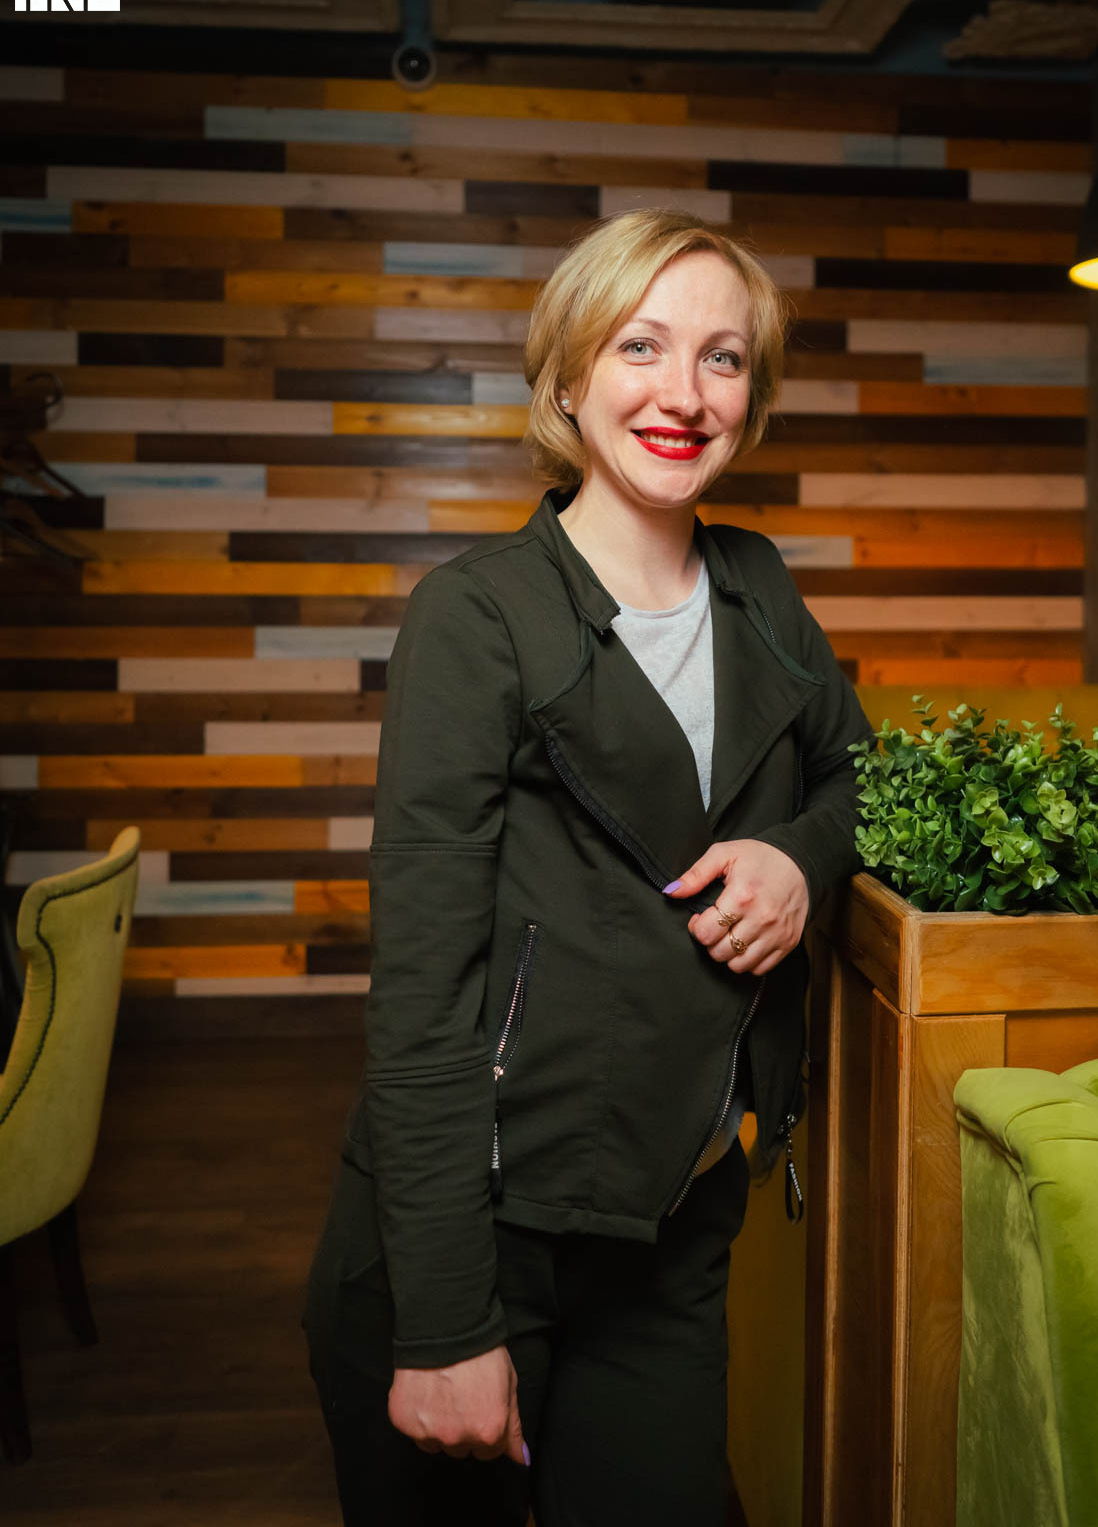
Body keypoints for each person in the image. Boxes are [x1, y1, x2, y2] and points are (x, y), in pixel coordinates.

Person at [302, 206, 873, 1526]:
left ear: (751, 399)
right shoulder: (476, 614)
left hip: (674, 1226)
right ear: (568, 376)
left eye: (723, 359)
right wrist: (447, 1324)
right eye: (640, 346)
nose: (684, 394)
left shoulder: (760, 587)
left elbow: (862, 782)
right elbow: (424, 995)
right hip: (481, 1239)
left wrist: (797, 861)